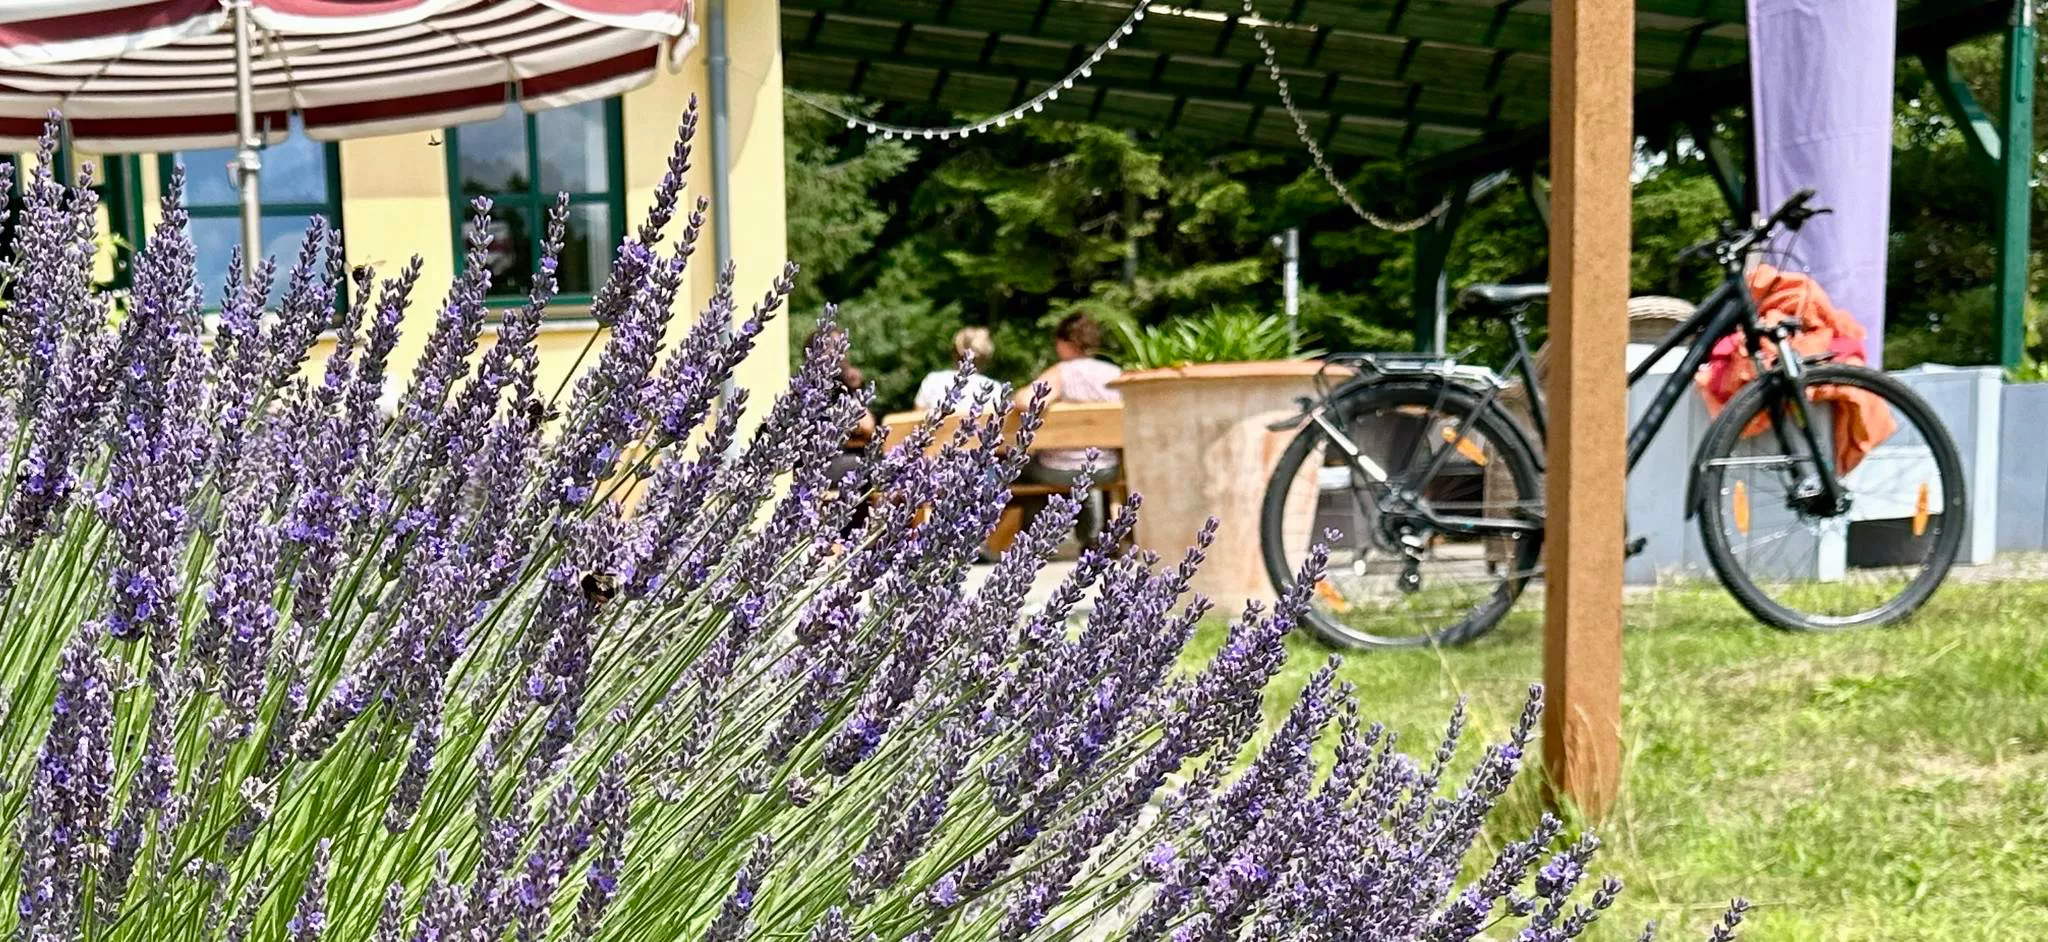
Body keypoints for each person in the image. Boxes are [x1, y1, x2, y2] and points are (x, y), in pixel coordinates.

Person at [1014, 313, 1122, 543]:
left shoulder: (1063, 373)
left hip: (1059, 469)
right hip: (1108, 467)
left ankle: (1032, 538)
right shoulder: (1114, 374)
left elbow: (1025, 401)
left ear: (1065, 343)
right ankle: (1095, 537)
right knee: (1084, 475)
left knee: (1021, 470)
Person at [915, 327, 1005, 411]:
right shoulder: (995, 388)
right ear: (986, 360)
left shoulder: (933, 380)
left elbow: (917, 417)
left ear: (955, 353)